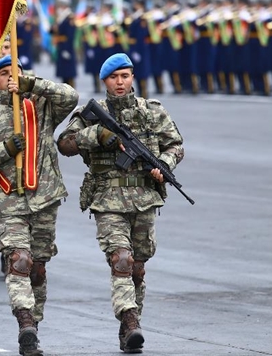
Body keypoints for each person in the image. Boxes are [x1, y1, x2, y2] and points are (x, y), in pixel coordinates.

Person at [56, 53, 184, 354]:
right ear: (104, 81)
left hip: (144, 198)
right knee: (121, 260)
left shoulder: (152, 111)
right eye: (114, 77)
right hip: (107, 199)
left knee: (137, 267)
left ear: (132, 78)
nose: (120, 82)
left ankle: (130, 324)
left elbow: (175, 145)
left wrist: (164, 164)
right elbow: (64, 144)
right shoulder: (92, 113)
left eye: (125, 76)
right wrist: (97, 135)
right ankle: (129, 321)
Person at [0, 55, 78, 356]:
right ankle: (24, 324)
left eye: (17, 72)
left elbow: (71, 96)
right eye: (4, 74)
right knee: (19, 261)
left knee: (37, 267)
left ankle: (33, 324)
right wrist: (5, 149)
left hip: (44, 198)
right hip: (7, 200)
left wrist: (32, 84)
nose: (11, 78)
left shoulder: (40, 105)